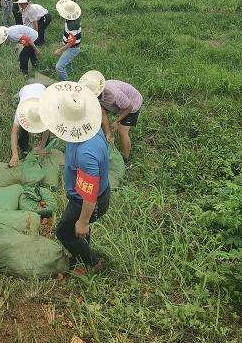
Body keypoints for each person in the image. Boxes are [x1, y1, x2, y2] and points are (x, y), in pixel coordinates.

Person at [38, 81, 109, 274]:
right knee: (75, 228)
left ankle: (93, 263)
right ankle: (83, 246)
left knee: (64, 232)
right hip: (86, 196)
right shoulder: (88, 129)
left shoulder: (86, 154)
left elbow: (90, 195)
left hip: (86, 201)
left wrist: (83, 220)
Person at [80, 72, 143, 164]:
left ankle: (126, 159)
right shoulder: (96, 96)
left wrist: (117, 121)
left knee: (122, 131)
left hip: (132, 104)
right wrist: (108, 132)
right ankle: (104, 144)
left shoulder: (115, 94)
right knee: (100, 122)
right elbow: (103, 114)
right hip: (117, 105)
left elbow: (129, 108)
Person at [9, 82, 50, 166]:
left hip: (41, 88)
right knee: (23, 128)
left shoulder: (46, 110)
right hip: (25, 89)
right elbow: (14, 133)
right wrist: (15, 154)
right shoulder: (20, 113)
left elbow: (47, 130)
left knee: (45, 129)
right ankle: (24, 148)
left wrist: (42, 147)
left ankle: (44, 147)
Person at [54, 0, 82, 81]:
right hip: (70, 47)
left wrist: (60, 50)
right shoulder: (70, 20)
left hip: (72, 48)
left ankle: (66, 83)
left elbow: (71, 42)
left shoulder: (72, 25)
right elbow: (69, 37)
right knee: (68, 62)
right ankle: (70, 73)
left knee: (59, 67)